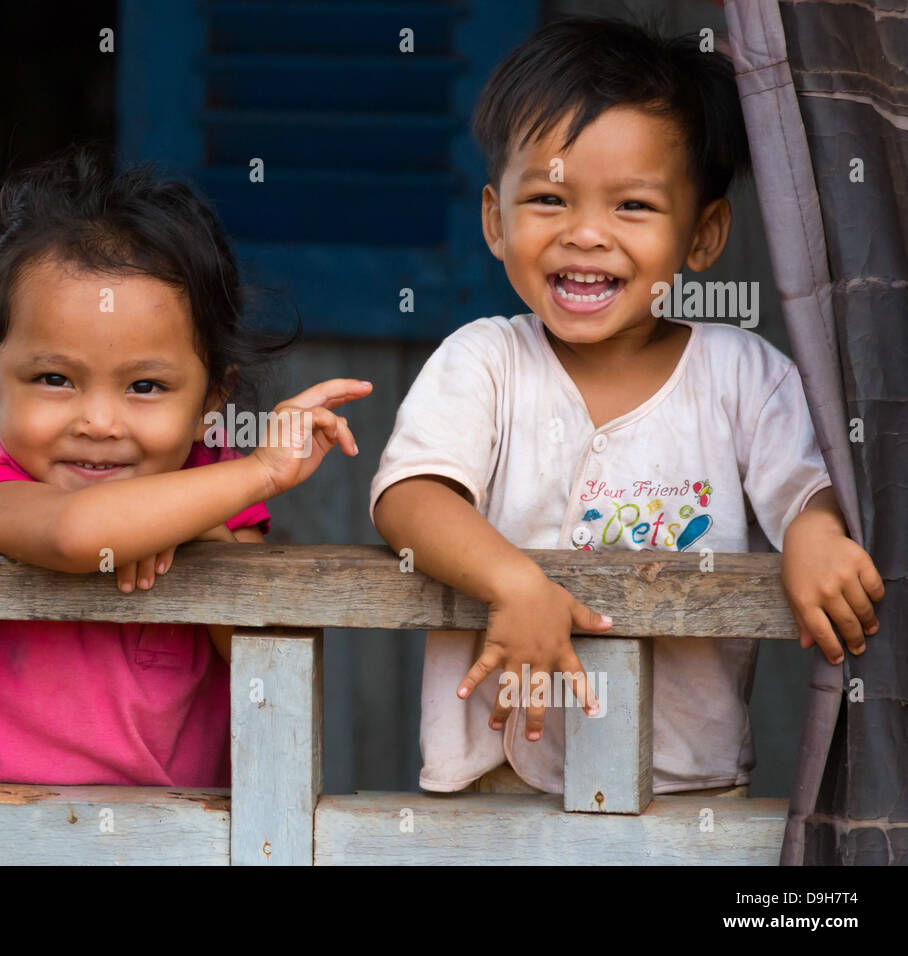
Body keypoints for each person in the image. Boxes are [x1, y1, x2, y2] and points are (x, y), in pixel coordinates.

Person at [369, 17, 884, 796]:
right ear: (493, 221)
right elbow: (410, 499)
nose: (585, 234)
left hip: (680, 786)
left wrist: (813, 535)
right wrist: (514, 583)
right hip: (499, 781)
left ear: (704, 234)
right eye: (547, 198)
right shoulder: (485, 361)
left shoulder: (745, 374)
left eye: (633, 207)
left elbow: (808, 488)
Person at [0, 146, 372, 787]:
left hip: (188, 845)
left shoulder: (214, 490)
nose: (100, 422)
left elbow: (267, 661)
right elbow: (76, 533)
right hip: (3, 840)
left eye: (145, 387)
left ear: (211, 398)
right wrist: (262, 471)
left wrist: (196, 528)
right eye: (54, 378)